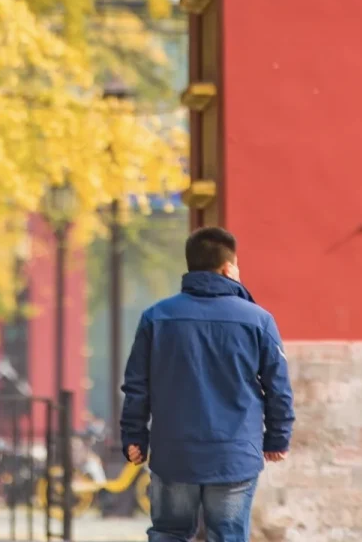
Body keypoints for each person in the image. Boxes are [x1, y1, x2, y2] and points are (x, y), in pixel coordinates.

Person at [119, 225, 295, 542]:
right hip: (235, 455)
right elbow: (278, 387)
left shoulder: (156, 318)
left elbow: (136, 385)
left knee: (169, 533)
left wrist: (134, 436)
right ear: (228, 268)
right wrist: (278, 438)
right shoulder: (258, 320)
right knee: (227, 535)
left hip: (174, 453)